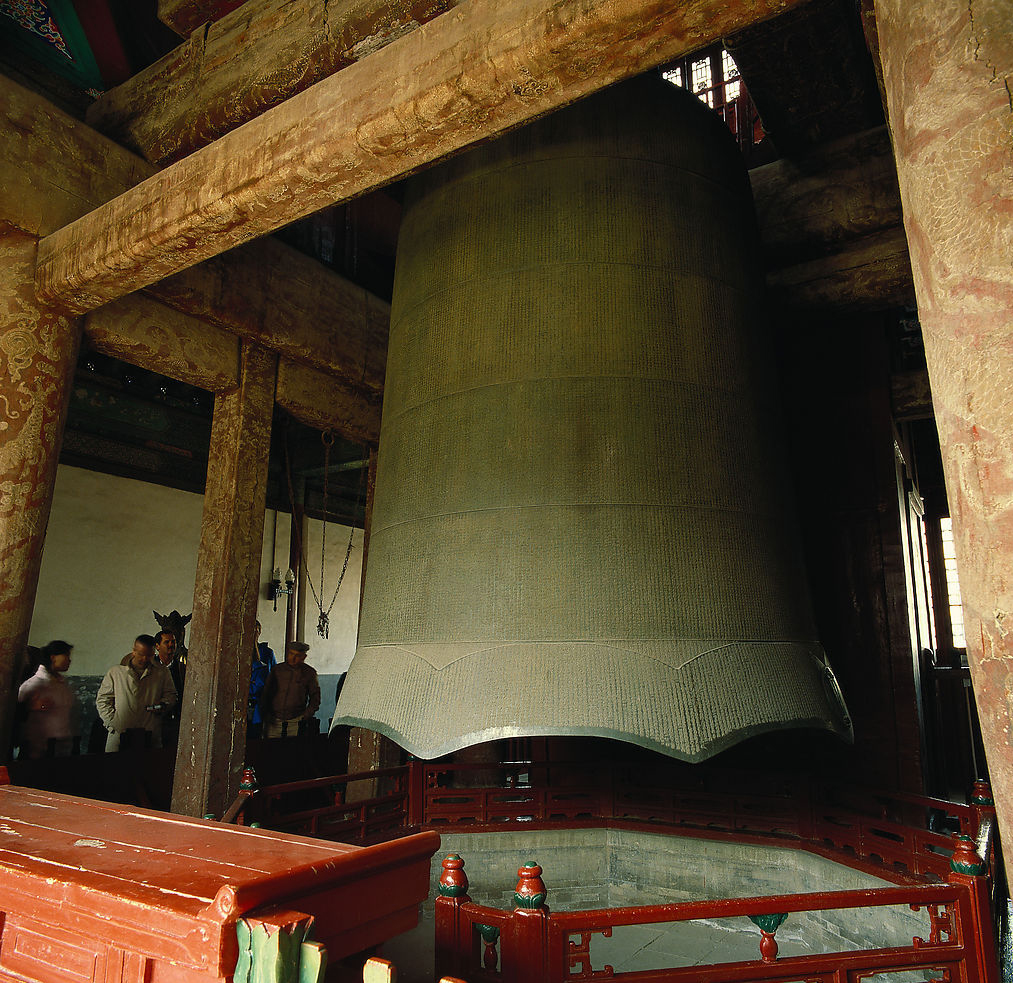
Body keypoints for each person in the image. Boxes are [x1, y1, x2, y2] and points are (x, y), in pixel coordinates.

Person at [97, 634, 177, 751]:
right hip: (120, 732)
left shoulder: (162, 672)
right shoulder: (116, 672)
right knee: (115, 767)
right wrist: (113, 723)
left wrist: (162, 705)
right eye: (141, 654)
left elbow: (171, 695)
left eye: (149, 655)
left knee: (148, 767)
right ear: (134, 651)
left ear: (153, 653)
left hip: (150, 732)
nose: (144, 659)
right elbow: (103, 700)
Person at [17, 640, 78, 758]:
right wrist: (30, 707)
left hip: (60, 746)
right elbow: (16, 714)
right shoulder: (32, 685)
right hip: (37, 748)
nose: (69, 660)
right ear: (53, 657)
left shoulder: (63, 684)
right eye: (66, 655)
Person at [260, 640, 320, 738]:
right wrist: (265, 714)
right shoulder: (277, 670)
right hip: (274, 720)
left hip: (295, 721)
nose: (293, 658)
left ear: (303, 657)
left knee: (292, 750)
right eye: (291, 654)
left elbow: (315, 698)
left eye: (297, 655)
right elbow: (266, 693)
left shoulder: (309, 673)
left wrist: (305, 715)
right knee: (270, 749)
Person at [248, 620, 276, 738]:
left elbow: (274, 680)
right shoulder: (237, 651)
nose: (255, 633)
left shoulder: (267, 653)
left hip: (259, 706)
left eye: (257, 631)